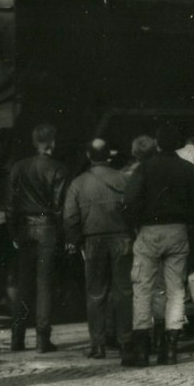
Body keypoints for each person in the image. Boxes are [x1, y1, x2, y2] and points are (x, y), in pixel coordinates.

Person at [123, 125, 194, 367]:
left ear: (157, 143)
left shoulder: (144, 169)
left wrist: (134, 225)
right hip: (178, 230)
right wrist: (192, 225)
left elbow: (129, 202)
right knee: (176, 290)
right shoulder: (188, 169)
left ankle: (141, 350)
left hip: (149, 231)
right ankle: (170, 349)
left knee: (143, 288)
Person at [63, 138, 132, 360]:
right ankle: (125, 342)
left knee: (95, 293)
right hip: (122, 238)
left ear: (89, 155)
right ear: (108, 156)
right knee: (123, 292)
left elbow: (70, 217)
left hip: (92, 241)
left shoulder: (78, 183)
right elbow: (134, 207)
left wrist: (74, 241)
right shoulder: (123, 179)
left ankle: (98, 345)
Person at [6, 123, 70, 354]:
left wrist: (13, 232)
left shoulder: (18, 167)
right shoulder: (58, 169)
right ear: (52, 142)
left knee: (23, 285)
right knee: (44, 285)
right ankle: (43, 340)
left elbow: (11, 205)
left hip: (23, 229)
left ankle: (17, 338)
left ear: (35, 143)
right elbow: (59, 207)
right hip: (47, 229)